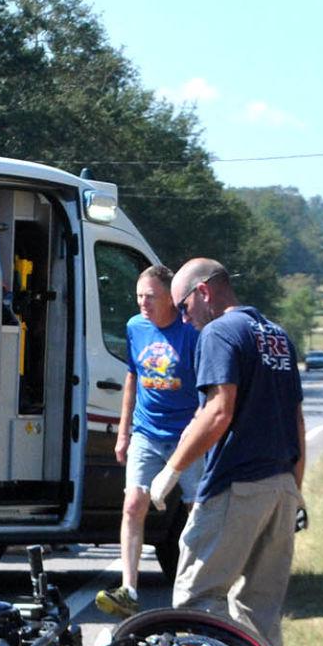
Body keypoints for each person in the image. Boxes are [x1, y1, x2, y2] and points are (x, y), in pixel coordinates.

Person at [149, 258, 304, 646]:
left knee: (195, 597)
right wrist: (296, 490)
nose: (184, 320)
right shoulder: (276, 336)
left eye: (183, 306)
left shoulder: (219, 332)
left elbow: (219, 410)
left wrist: (171, 469)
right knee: (260, 608)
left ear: (203, 292)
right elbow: (295, 419)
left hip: (238, 483)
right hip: (281, 486)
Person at [96, 264, 201, 617]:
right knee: (132, 505)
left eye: (151, 297)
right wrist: (123, 431)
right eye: (139, 295)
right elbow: (132, 379)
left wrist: (198, 429)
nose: (143, 303)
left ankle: (194, 589)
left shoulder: (192, 333)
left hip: (186, 436)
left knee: (196, 511)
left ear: (170, 298)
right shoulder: (135, 327)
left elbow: (207, 387)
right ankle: (129, 589)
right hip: (146, 432)